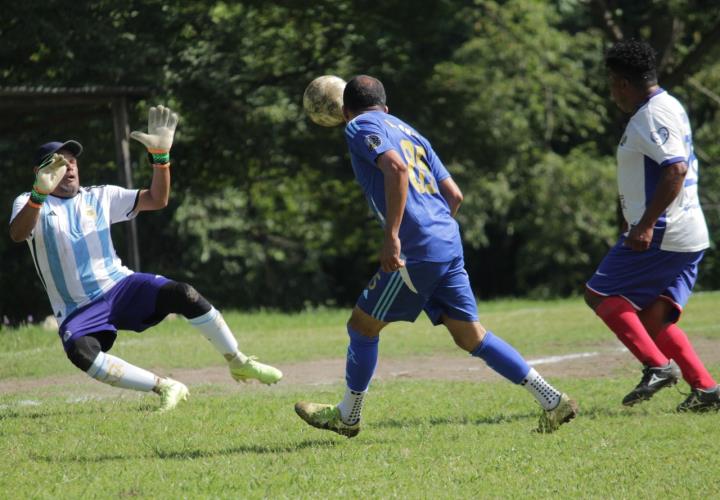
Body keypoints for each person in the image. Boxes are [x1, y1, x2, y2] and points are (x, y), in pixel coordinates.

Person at [294, 76, 578, 437]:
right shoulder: (411, 132)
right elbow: (454, 195)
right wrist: (435, 235)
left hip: (417, 249)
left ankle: (348, 416)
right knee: (470, 336)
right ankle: (553, 400)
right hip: (447, 241)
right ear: (386, 106)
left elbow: (395, 168)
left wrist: (394, 236)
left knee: (362, 326)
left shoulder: (359, 125)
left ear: (346, 111)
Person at [9, 105, 282, 412]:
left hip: (119, 287)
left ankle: (239, 361)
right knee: (81, 354)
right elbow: (18, 234)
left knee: (183, 294)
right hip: (76, 308)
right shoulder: (29, 202)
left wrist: (161, 160)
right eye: (59, 163)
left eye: (72, 161)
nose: (69, 167)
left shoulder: (99, 196)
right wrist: (38, 196)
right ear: (40, 173)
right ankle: (165, 386)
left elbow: (157, 199)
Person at [585, 39, 719, 412]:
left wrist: (645, 225)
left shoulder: (651, 115)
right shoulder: (667, 104)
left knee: (598, 293)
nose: (612, 94)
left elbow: (675, 169)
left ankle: (657, 366)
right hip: (688, 229)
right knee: (653, 316)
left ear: (621, 82)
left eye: (611, 84)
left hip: (665, 231)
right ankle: (707, 390)